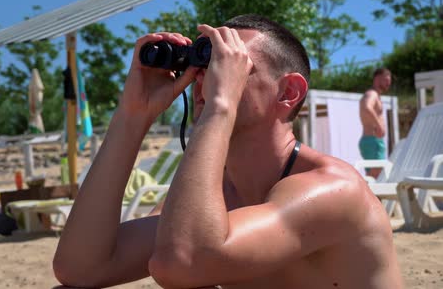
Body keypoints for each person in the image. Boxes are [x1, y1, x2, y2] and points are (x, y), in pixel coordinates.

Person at [53, 14, 402, 288]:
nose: (208, 80)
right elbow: (80, 268)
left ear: (288, 93)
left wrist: (221, 106)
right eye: (205, 67)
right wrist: (132, 117)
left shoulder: (332, 190)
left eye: (230, 65)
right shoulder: (209, 196)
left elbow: (183, 260)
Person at [359, 68, 392, 178]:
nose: (389, 83)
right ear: (377, 79)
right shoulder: (372, 94)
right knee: (376, 178)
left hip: (370, 141)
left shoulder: (372, 94)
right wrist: (379, 125)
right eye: (386, 80)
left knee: (372, 177)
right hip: (373, 142)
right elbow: (367, 106)